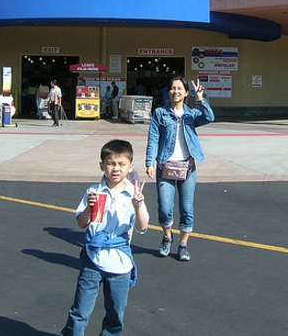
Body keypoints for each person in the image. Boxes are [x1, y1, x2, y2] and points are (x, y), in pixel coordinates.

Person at [60, 139, 149, 336]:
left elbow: (142, 227)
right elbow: (81, 223)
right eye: (110, 163)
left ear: (130, 166)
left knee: (115, 314)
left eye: (121, 164)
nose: (115, 168)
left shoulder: (133, 194)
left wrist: (138, 205)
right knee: (80, 311)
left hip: (120, 262)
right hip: (93, 258)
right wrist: (90, 208)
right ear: (102, 165)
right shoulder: (94, 191)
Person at [144, 76, 214, 261]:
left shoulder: (192, 115)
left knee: (186, 209)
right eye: (173, 88)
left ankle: (183, 245)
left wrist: (200, 99)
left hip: (188, 168)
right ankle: (167, 237)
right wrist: (150, 162)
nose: (176, 91)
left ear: (186, 93)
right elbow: (153, 139)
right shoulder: (160, 113)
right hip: (164, 166)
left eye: (179, 89)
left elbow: (209, 117)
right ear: (168, 92)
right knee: (165, 208)